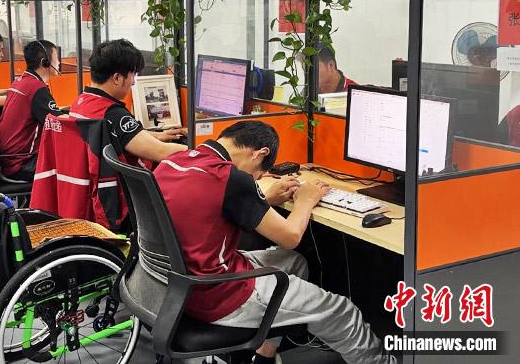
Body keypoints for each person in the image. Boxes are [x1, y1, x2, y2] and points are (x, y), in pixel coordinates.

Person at [153, 121, 395, 364]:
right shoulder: (231, 179)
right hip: (219, 293)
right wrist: (306, 200)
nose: (257, 178)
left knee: (293, 262)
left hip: (175, 284)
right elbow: (290, 237)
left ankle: (263, 356)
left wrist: (262, 200)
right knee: (342, 311)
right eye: (259, 173)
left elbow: (210, 208)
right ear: (260, 153)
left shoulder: (175, 161)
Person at [69, 39, 187, 163]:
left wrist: (157, 135)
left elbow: (123, 135)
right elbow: (160, 152)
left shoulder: (80, 102)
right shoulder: (113, 114)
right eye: (133, 74)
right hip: (140, 175)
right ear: (117, 78)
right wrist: (195, 149)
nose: (133, 82)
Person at [0, 40, 64, 182]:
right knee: (72, 163)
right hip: (22, 164)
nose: (59, 62)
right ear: (45, 62)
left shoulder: (20, 82)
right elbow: (60, 124)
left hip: (7, 160)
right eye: (56, 58)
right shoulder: (37, 89)